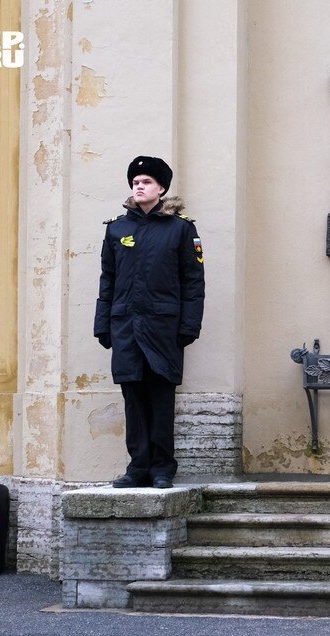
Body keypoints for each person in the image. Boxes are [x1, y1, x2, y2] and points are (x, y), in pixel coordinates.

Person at [94, 156, 205, 489]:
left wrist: (188, 326)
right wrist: (103, 324)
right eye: (135, 182)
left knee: (159, 397)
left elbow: (193, 281)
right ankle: (138, 466)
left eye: (145, 182)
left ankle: (161, 468)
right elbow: (107, 280)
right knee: (134, 397)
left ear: (161, 188)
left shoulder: (181, 229)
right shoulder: (117, 229)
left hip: (162, 328)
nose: (138, 186)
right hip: (125, 326)